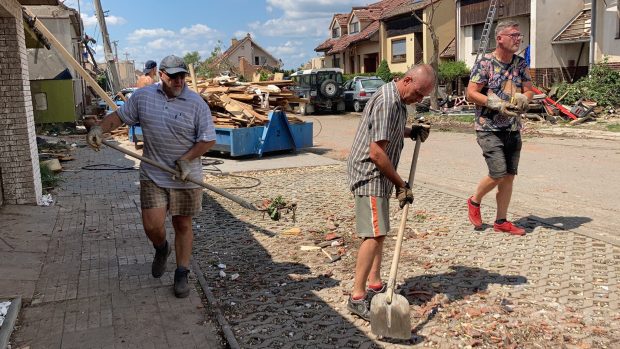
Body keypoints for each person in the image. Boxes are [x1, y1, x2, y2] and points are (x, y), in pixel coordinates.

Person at [86, 55, 216, 298]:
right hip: (154, 173)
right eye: (173, 76)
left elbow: (208, 139)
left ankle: (181, 273)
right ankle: (161, 247)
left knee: (182, 224)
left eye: (182, 76)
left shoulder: (196, 103)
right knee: (152, 225)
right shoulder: (144, 97)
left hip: (185, 176)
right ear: (161, 75)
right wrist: (99, 128)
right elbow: (119, 117)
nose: (179, 81)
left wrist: (187, 159)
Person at [346, 64, 435, 320]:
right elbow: (376, 153)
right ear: (407, 80)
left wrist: (411, 132)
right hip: (370, 174)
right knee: (372, 234)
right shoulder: (387, 101)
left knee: (380, 230)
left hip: (380, 174)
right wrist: (401, 185)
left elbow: (388, 132)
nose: (418, 100)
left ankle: (375, 283)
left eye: (422, 97)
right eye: (418, 93)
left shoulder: (397, 100)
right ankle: (357, 296)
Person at [466, 20, 533, 236]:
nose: (518, 39)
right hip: (488, 127)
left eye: (519, 35)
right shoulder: (485, 63)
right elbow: (471, 93)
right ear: (500, 38)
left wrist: (525, 97)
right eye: (513, 35)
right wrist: (495, 104)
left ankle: (501, 221)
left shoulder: (520, 64)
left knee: (509, 176)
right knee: (498, 172)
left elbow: (529, 89)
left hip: (513, 127)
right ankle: (475, 201)